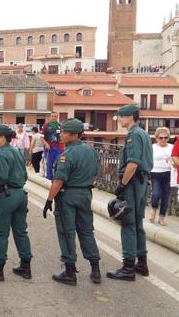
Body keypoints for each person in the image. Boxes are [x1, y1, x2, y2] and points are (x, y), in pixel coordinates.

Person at [42, 119, 101, 286]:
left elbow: (58, 181)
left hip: (68, 195)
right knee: (86, 231)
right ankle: (95, 269)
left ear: (74, 135)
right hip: (85, 194)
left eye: (65, 133)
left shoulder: (66, 155)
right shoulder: (91, 151)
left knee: (67, 232)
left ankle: (70, 272)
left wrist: (49, 200)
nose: (61, 135)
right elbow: (95, 175)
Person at [107, 104, 153, 282]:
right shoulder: (143, 133)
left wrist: (122, 184)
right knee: (138, 223)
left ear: (130, 117)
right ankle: (141, 262)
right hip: (142, 182)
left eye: (121, 116)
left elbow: (132, 164)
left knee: (127, 222)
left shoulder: (133, 135)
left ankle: (128, 267)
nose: (119, 119)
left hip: (133, 183)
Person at [0, 125, 32, 282]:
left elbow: (0, 177)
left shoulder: (2, 153)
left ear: (3, 138)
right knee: (20, 231)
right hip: (20, 194)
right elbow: (25, 175)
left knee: (1, 233)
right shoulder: (15, 151)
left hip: (6, 196)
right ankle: (26, 267)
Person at [150, 127, 173, 226]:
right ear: (156, 138)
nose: (163, 139)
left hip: (168, 173)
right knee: (156, 194)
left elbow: (176, 159)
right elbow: (148, 160)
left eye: (165, 137)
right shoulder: (152, 147)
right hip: (155, 173)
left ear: (168, 138)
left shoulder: (172, 147)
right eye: (161, 138)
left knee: (165, 196)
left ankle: (162, 217)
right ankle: (153, 209)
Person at [42, 112, 64, 180]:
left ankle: (57, 178)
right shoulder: (46, 125)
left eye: (55, 116)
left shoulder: (60, 126)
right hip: (49, 148)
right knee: (49, 164)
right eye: (52, 116)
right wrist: (46, 144)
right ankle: (49, 178)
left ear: (57, 117)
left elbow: (63, 136)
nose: (53, 117)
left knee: (59, 163)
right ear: (50, 117)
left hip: (59, 148)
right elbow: (41, 137)